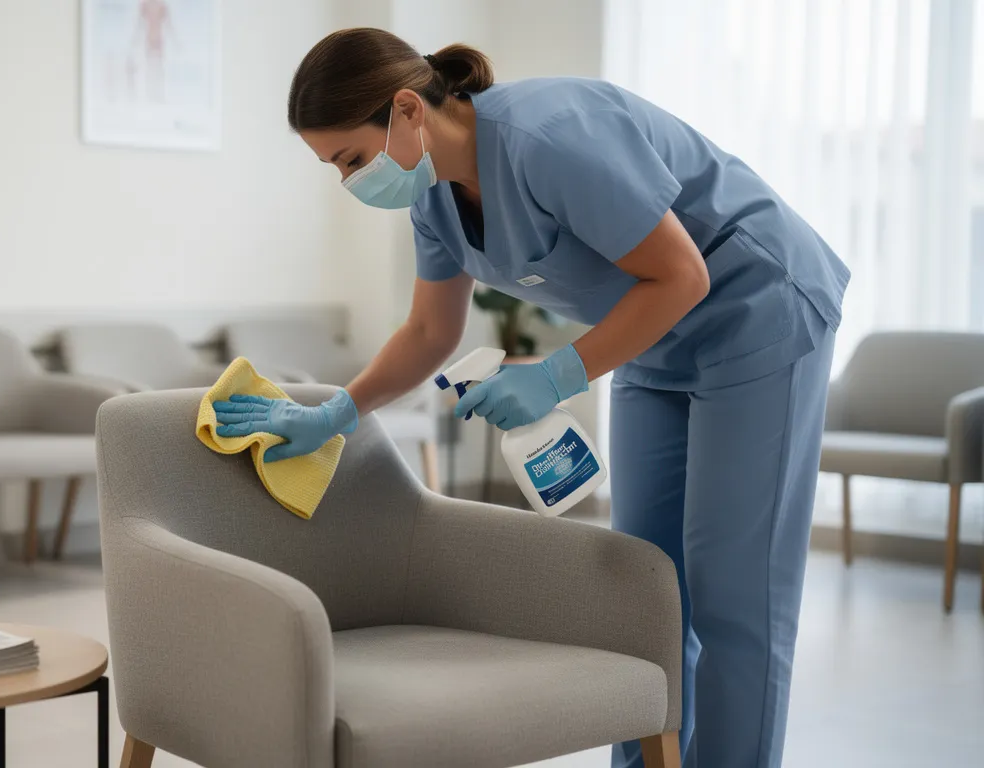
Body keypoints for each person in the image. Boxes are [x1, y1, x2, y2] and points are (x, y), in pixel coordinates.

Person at [212, 28, 849, 768]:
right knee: (647, 589)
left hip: (760, 310)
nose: (350, 181)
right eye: (335, 169)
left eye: (351, 159)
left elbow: (683, 276)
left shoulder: (550, 135)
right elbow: (428, 331)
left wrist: (554, 376)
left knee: (733, 597)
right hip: (655, 339)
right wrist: (334, 414)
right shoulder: (435, 201)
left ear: (408, 110)